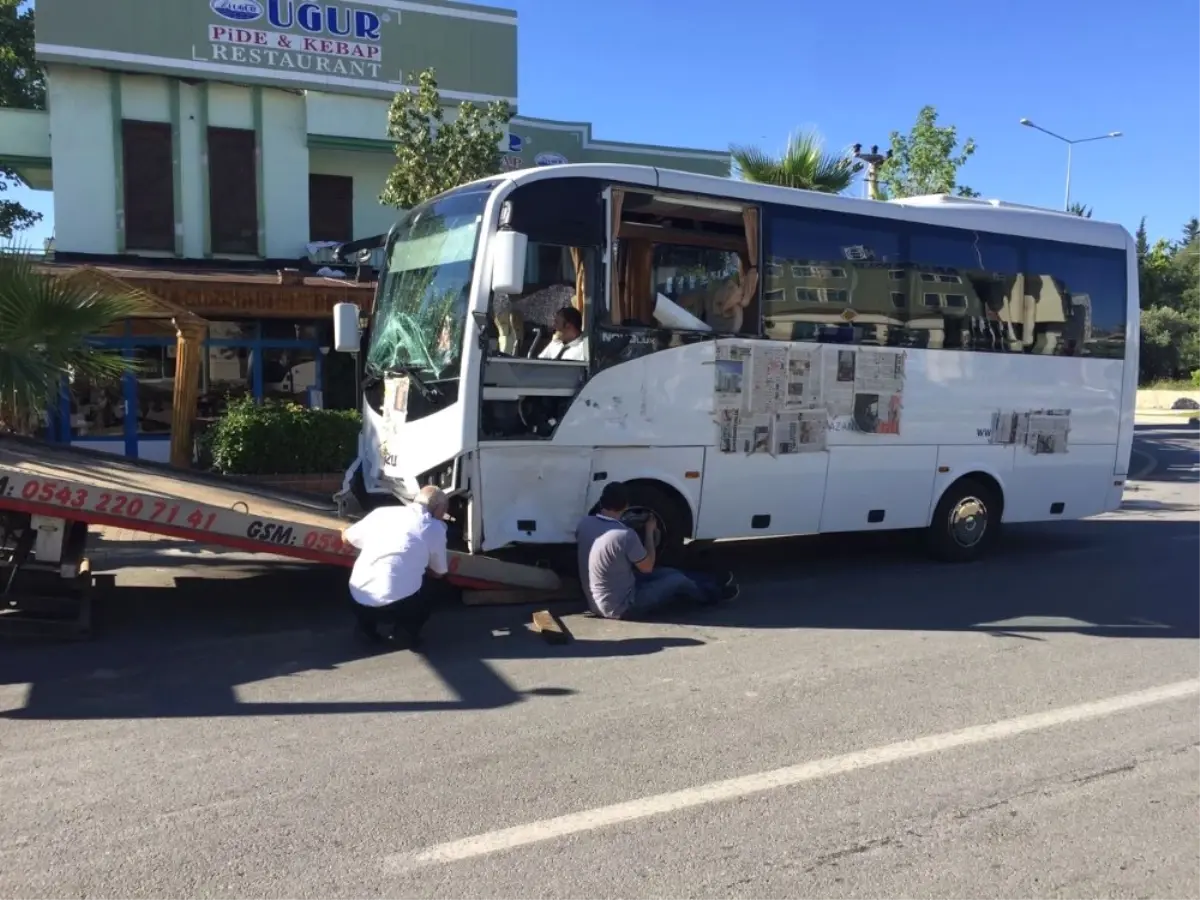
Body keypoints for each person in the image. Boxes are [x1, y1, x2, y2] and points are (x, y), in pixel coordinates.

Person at [575, 481, 738, 620]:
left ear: (602, 502)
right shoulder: (625, 535)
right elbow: (647, 568)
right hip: (623, 607)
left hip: (597, 601)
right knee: (676, 581)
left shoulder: (585, 523)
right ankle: (714, 595)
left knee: (668, 572)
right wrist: (649, 533)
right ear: (626, 505)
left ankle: (712, 581)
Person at [340, 485, 453, 649]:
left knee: (364, 569)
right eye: (444, 512)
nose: (443, 516)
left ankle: (365, 628)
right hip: (398, 605)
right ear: (438, 509)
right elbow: (439, 572)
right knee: (437, 584)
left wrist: (343, 530)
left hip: (357, 599)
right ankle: (406, 632)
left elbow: (347, 539)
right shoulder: (434, 528)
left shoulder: (382, 513)